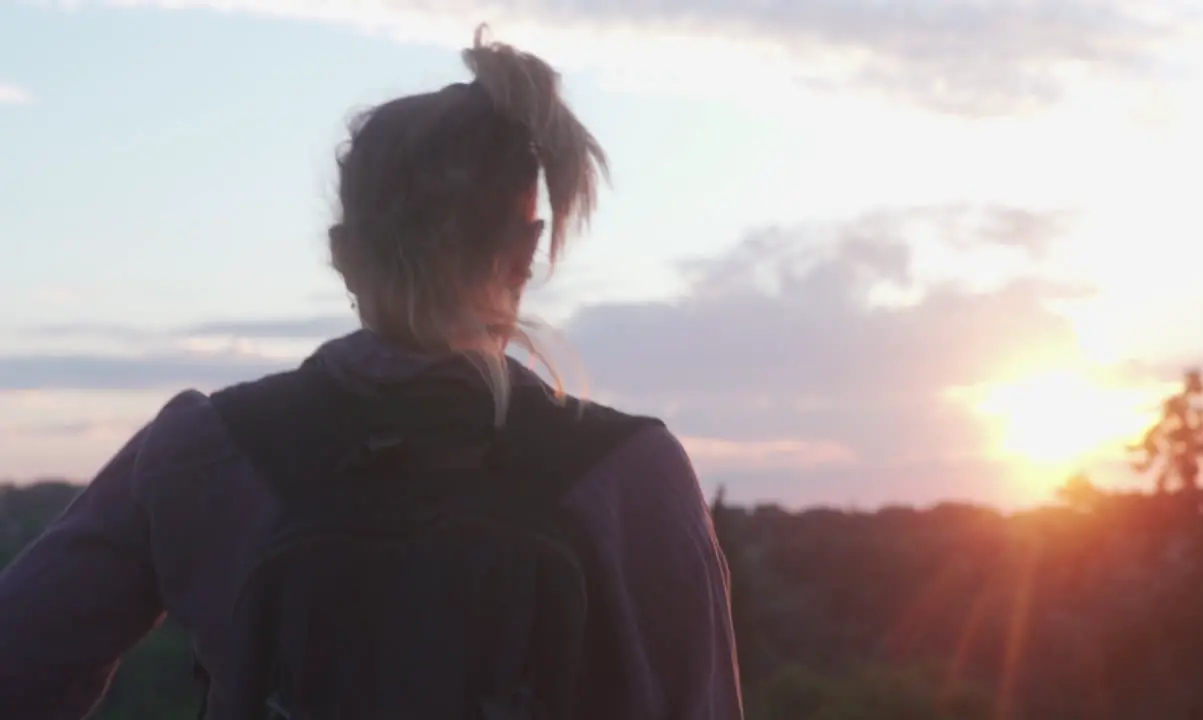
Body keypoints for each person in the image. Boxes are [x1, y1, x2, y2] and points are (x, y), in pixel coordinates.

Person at [0, 26, 743, 720]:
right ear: (527, 250)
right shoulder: (632, 475)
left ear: (342, 252)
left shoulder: (203, 450)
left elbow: (21, 662)